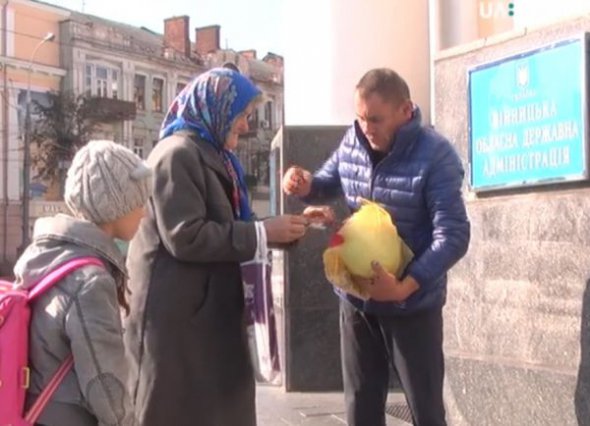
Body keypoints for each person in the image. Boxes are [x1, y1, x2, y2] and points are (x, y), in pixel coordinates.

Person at [283, 68, 470, 426]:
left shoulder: (437, 155)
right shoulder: (353, 141)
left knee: (426, 410)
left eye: (375, 119)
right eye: (359, 117)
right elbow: (325, 182)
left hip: (413, 305)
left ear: (405, 110)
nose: (365, 128)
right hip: (356, 298)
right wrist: (302, 182)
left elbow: (454, 236)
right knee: (361, 406)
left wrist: (402, 286)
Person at [124, 68, 307, 426]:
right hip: (177, 322)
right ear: (215, 107)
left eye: (248, 116)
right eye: (241, 115)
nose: (245, 125)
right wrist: (263, 233)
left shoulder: (217, 156)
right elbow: (184, 235)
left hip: (206, 315)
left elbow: (240, 223)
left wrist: (294, 227)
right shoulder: (176, 154)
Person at [14, 140, 150, 426]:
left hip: (35, 411)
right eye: (139, 202)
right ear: (115, 204)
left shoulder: (45, 256)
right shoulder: (91, 282)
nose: (144, 212)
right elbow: (105, 384)